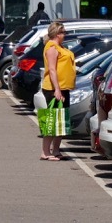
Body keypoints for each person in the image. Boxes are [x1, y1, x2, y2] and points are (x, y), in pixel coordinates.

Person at [39, 21, 75, 161]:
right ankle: (45, 152)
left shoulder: (60, 46)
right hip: (53, 88)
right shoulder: (52, 48)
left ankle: (56, 150)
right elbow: (52, 70)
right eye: (63, 32)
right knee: (52, 120)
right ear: (57, 34)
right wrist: (57, 90)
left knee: (61, 121)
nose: (65, 35)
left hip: (64, 87)